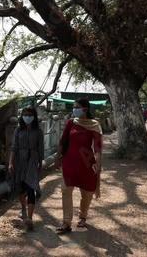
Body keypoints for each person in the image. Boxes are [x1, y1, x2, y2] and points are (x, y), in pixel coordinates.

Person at [54, 98, 102, 234]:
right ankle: (66, 222)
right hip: (69, 161)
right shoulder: (70, 122)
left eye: (77, 107)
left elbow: (97, 147)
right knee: (66, 190)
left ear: (85, 109)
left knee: (87, 192)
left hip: (86, 161)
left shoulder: (94, 125)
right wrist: (57, 158)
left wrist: (98, 162)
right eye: (74, 107)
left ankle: (83, 216)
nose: (74, 109)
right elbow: (62, 142)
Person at [8, 106, 44, 230]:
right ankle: (23, 208)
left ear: (33, 117)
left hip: (32, 162)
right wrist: (10, 163)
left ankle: (29, 217)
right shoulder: (18, 131)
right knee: (21, 188)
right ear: (22, 116)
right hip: (19, 162)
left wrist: (40, 164)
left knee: (31, 188)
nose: (27, 117)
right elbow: (14, 148)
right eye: (25, 115)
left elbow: (40, 149)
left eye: (29, 115)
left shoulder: (38, 132)